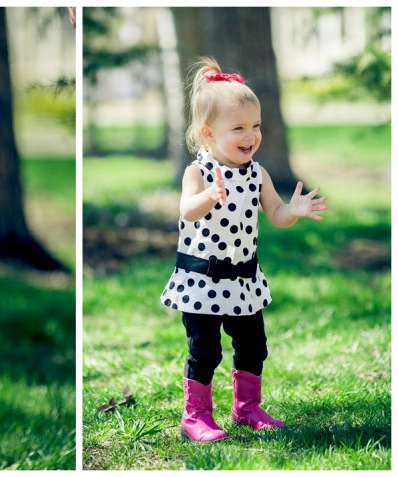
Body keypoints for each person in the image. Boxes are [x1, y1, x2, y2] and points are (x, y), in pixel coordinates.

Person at [160, 57, 327, 442]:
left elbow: (276, 213)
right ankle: (196, 415)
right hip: (202, 282)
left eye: (256, 126)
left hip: (243, 280)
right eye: (238, 127)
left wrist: (293, 211)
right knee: (205, 351)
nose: (251, 135)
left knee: (253, 346)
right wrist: (208, 197)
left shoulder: (257, 172)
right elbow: (186, 210)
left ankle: (246, 407)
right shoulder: (198, 173)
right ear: (208, 133)